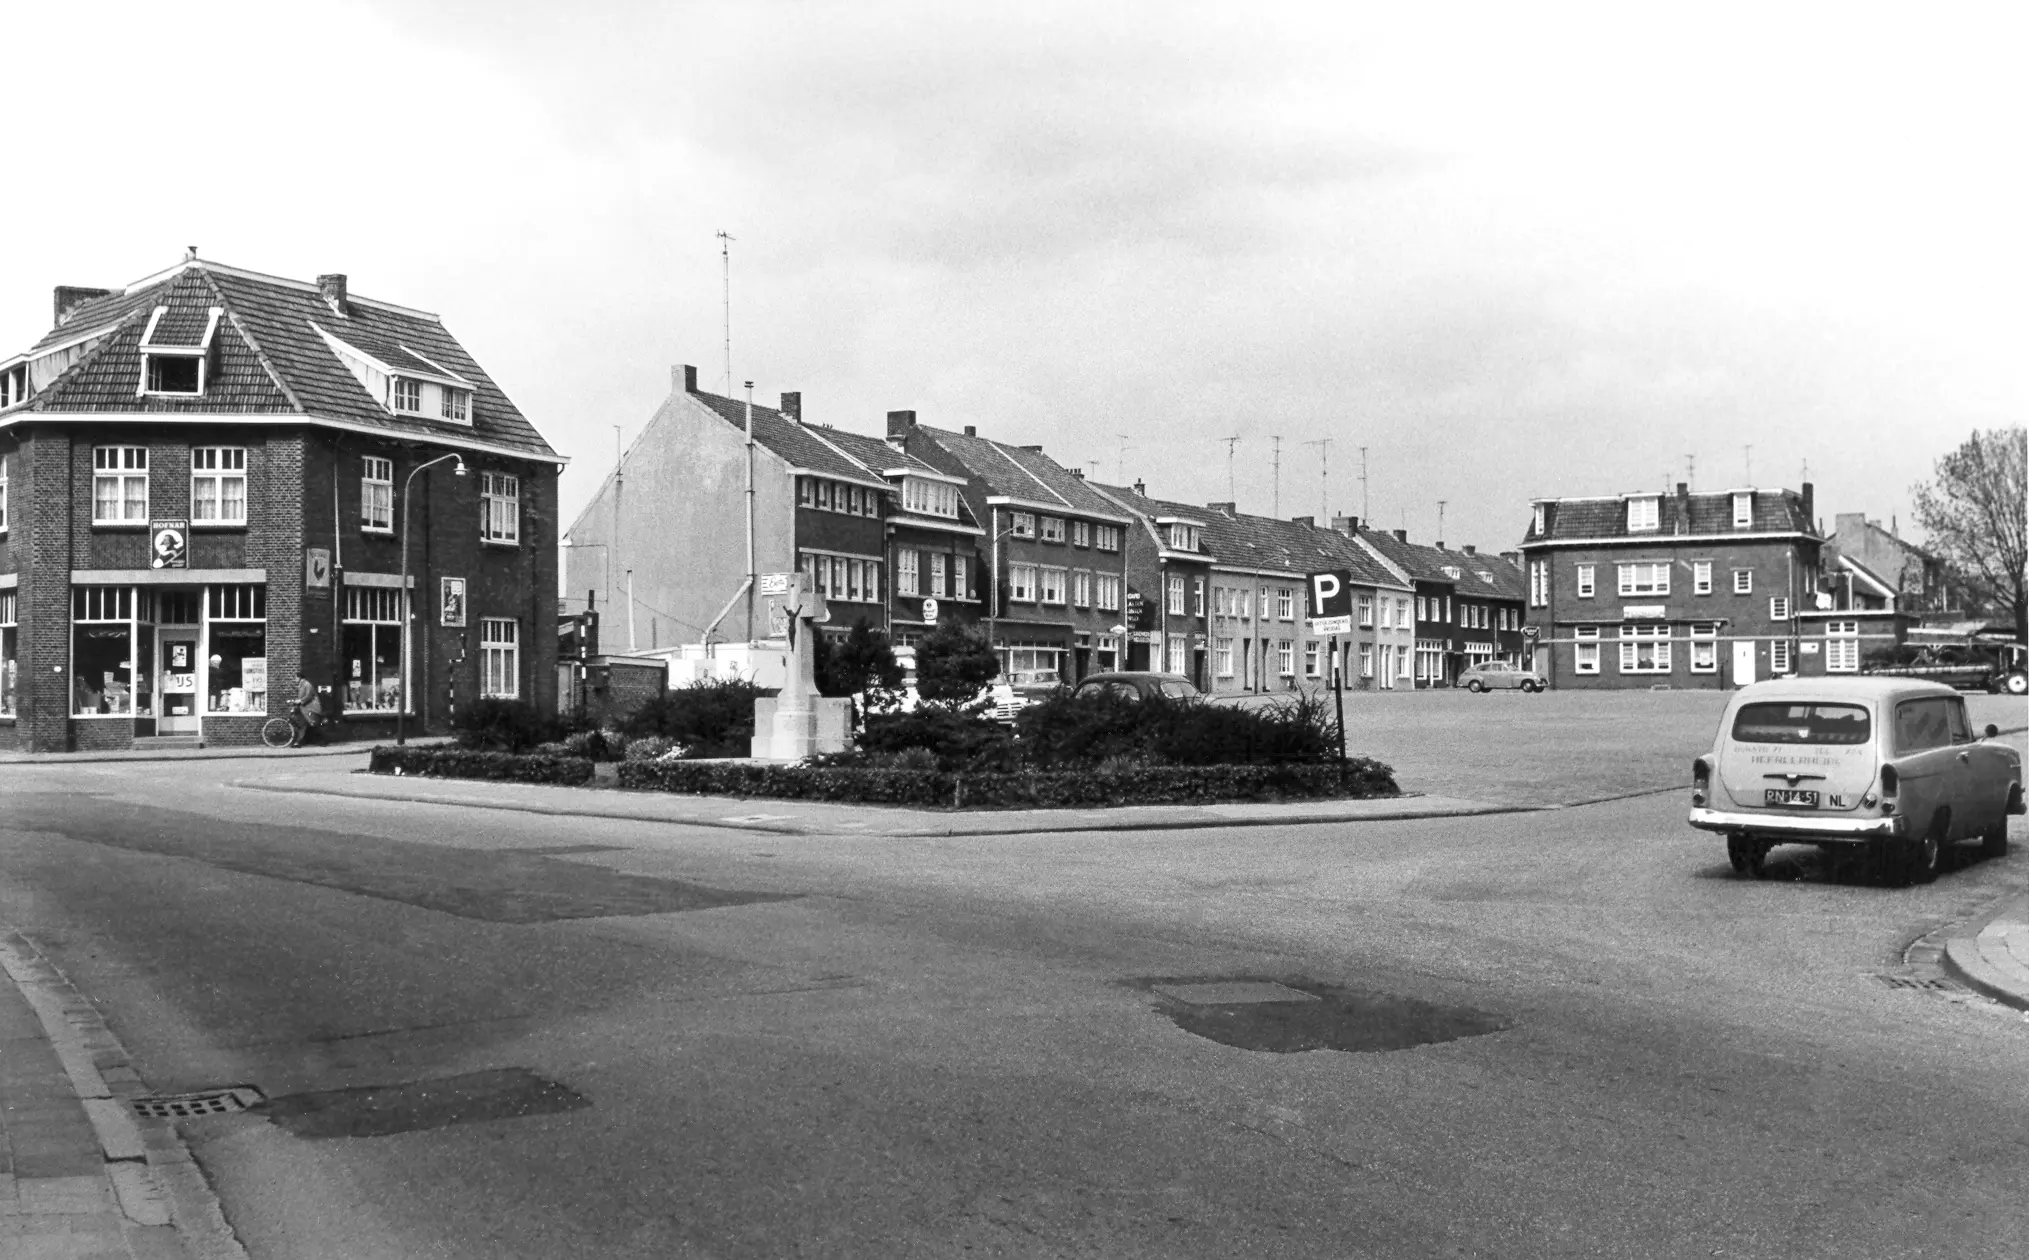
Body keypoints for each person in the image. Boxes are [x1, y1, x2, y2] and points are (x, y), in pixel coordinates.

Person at [288, 672, 323, 747]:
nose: (295, 679)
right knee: (304, 724)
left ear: (299, 677)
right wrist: (296, 701)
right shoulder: (301, 685)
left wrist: (300, 701)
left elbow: (309, 696)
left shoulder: (307, 684)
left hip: (312, 708)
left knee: (312, 725)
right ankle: (299, 742)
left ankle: (322, 741)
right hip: (306, 708)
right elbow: (302, 697)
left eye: (295, 677)